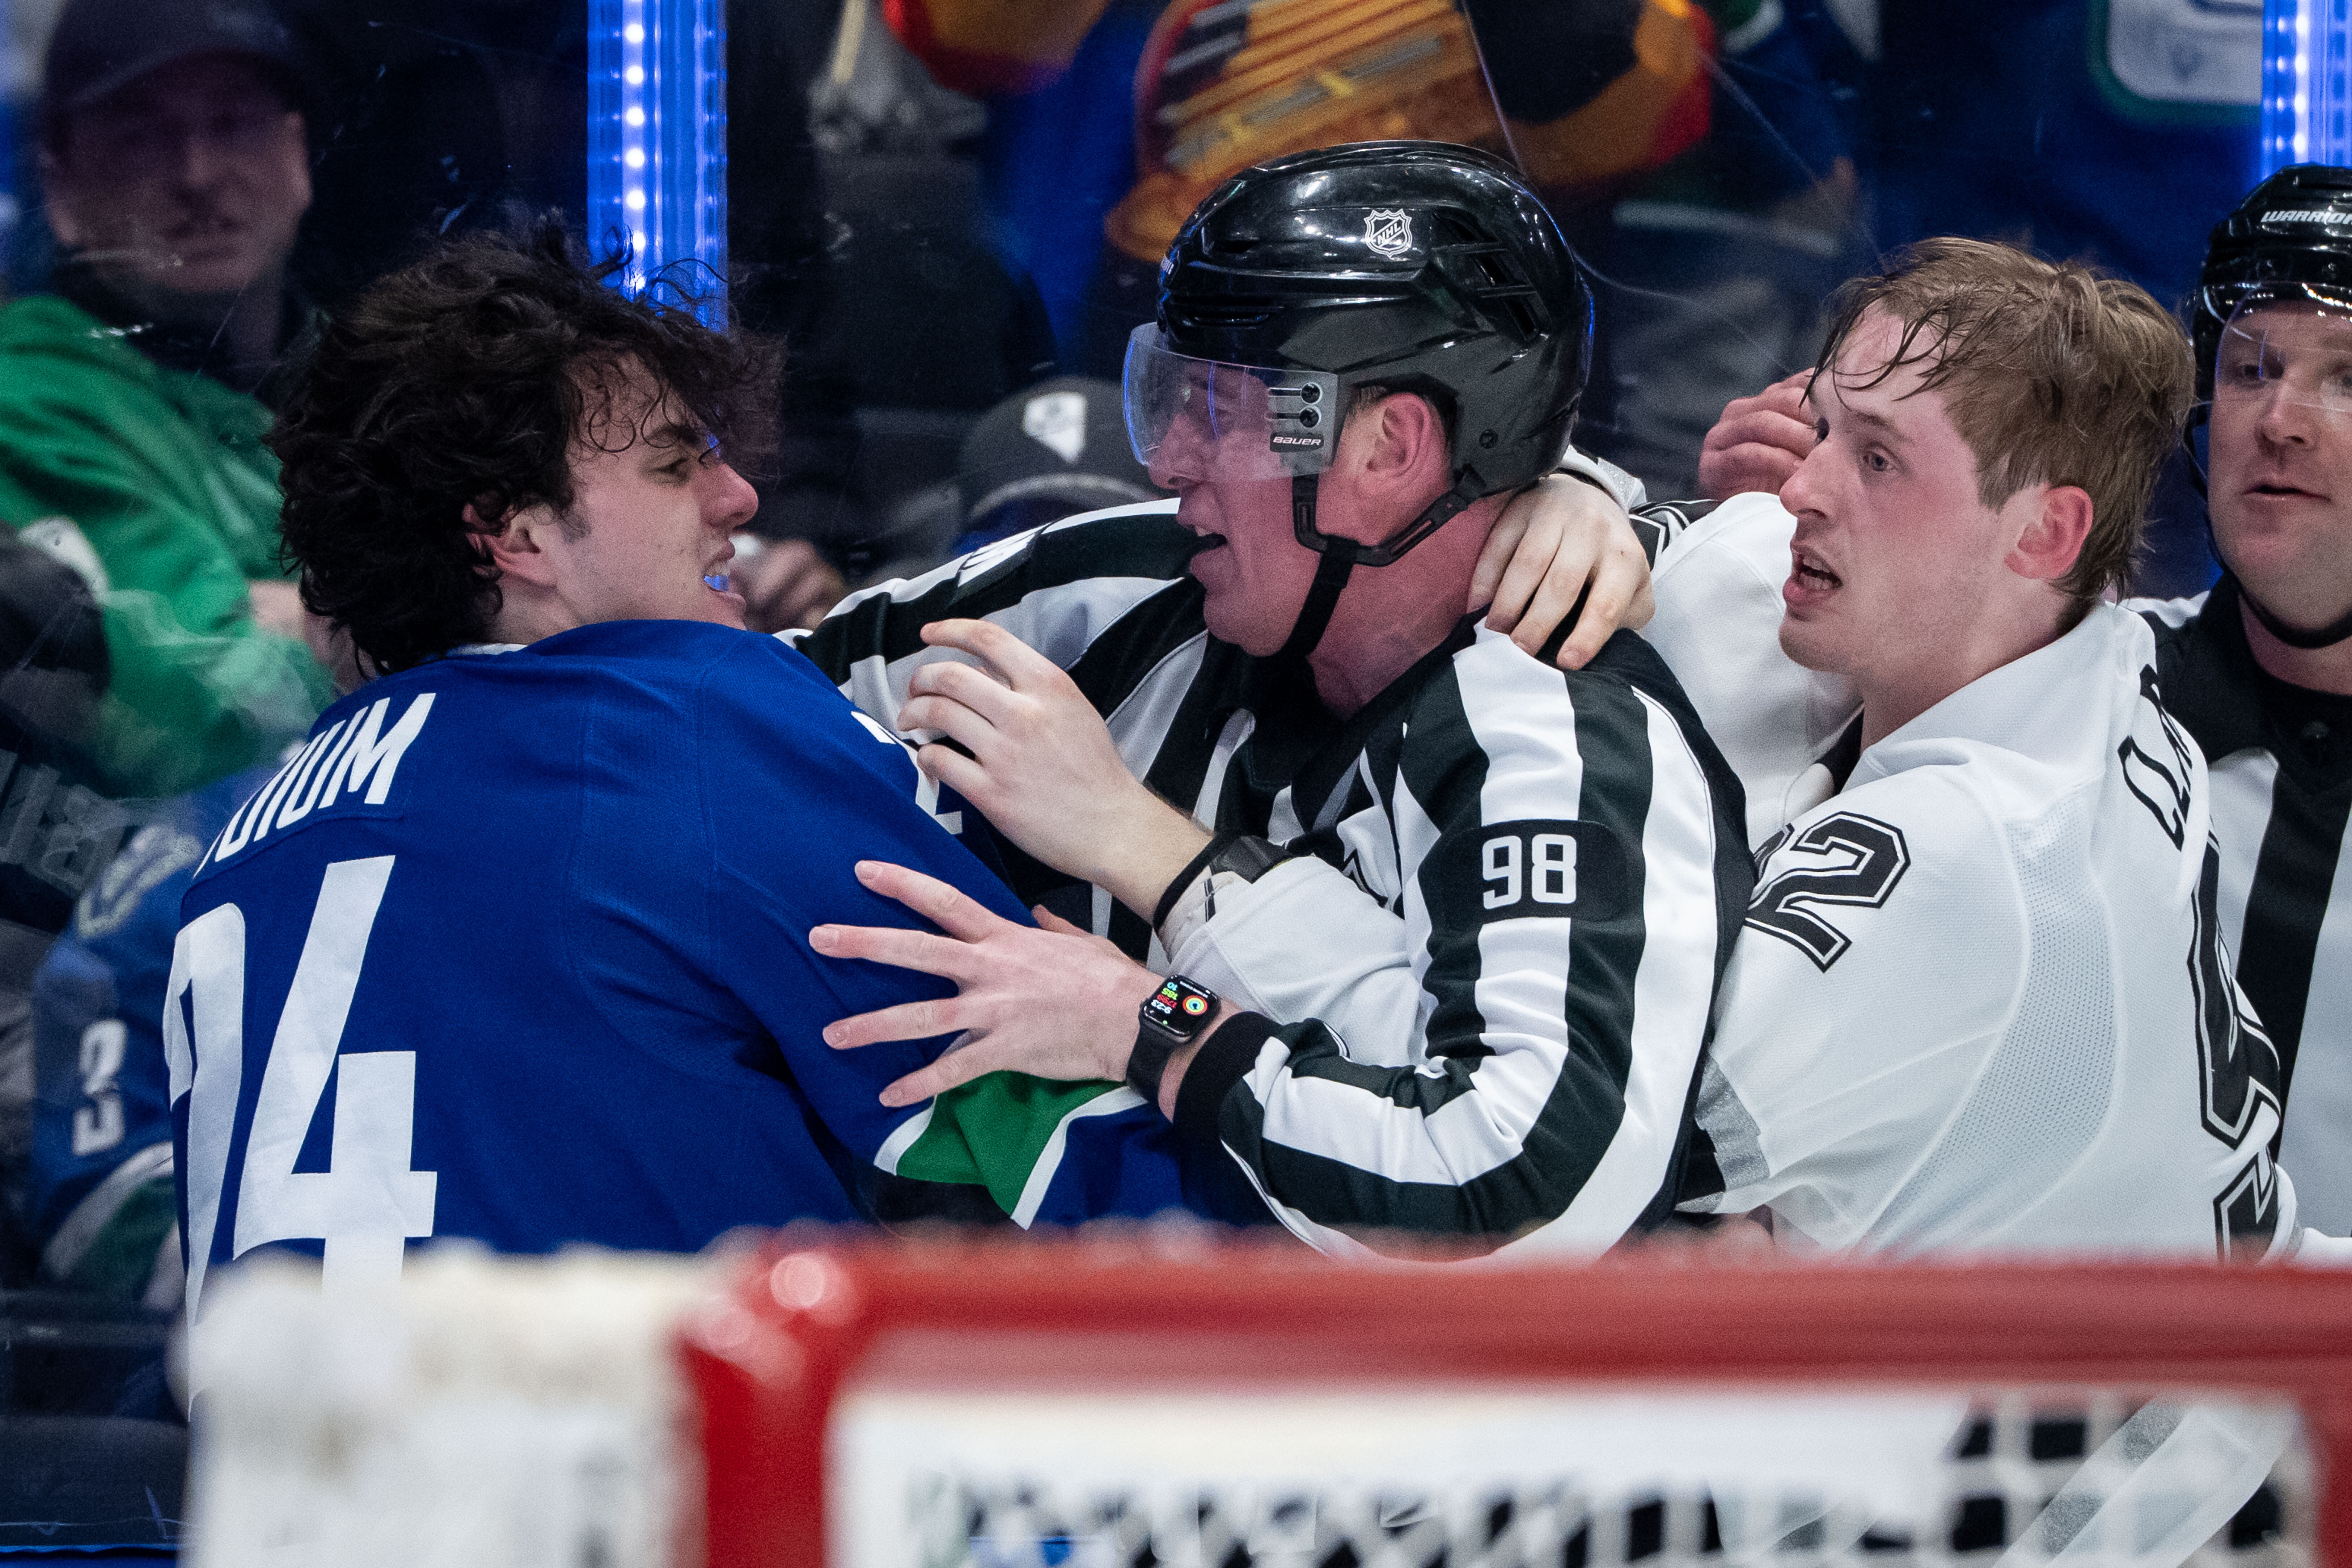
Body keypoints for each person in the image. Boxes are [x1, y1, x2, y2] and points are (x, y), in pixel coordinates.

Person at [801, 142, 1752, 1255]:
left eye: (1218, 405)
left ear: (1391, 445)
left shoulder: (1561, 733)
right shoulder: (1113, 590)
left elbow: (1526, 1195)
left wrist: (1143, 1012)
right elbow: (732, 702)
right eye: (1169, 393)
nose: (1169, 460)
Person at [163, 229, 1083, 1321]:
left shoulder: (250, 834)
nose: (738, 497)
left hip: (280, 1431)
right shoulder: (693, 713)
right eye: (675, 463)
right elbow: (1065, 1128)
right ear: (515, 533)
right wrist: (1180, 994)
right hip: (620, 1429)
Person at [1690, 168, 2352, 1241]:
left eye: (2346, 378)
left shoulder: (2057, 709)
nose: (2278, 420)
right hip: (2116, 1336)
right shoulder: (2074, 671)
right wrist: (1627, 522)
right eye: (2247, 368)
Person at [2, 0, 334, 799]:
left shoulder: (374, 374)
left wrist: (298, 617)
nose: (198, 174)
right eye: (141, 137)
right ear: (60, 187)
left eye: (233, 122)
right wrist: (413, 619)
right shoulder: (30, 398)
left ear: (298, 155)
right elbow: (209, 709)